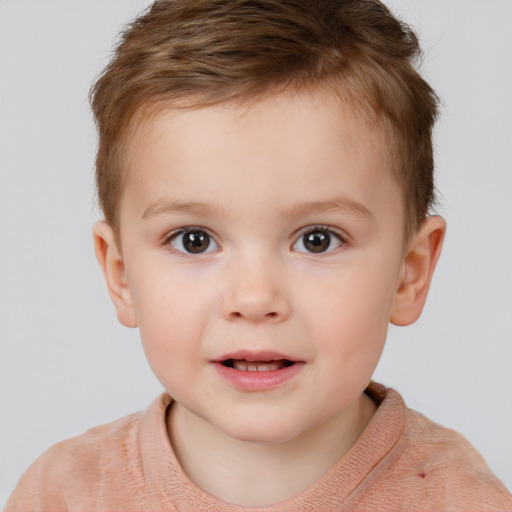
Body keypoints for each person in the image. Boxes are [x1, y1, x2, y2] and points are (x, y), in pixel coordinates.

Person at [5, 0, 512, 510]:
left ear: (410, 273)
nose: (253, 298)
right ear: (121, 276)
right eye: (194, 240)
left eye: (318, 239)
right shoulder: (62, 495)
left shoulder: (460, 501)